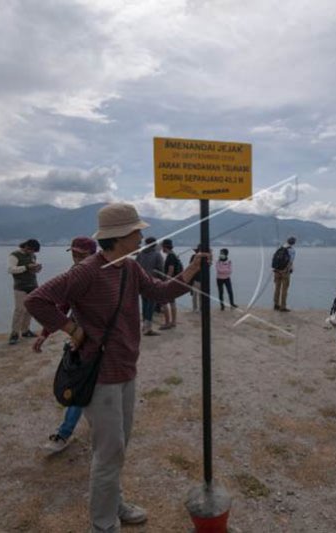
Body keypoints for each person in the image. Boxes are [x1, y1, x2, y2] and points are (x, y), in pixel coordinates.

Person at [25, 203, 207, 532]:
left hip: (126, 369)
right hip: (100, 376)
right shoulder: (88, 271)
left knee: (118, 448)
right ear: (119, 236)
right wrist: (73, 330)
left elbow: (160, 292)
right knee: (108, 453)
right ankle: (103, 525)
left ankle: (115, 503)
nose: (141, 236)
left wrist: (191, 270)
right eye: (136, 232)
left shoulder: (130, 267)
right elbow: (36, 300)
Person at [32, 236, 97, 452]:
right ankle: (66, 432)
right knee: (80, 388)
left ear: (94, 254)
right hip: (80, 343)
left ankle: (68, 432)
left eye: (82, 255)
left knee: (89, 389)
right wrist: (44, 334)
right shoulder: (73, 277)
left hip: (103, 344)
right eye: (74, 254)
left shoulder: (105, 274)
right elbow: (61, 308)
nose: (77, 259)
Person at [7, 238, 42, 345]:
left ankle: (25, 330)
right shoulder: (15, 255)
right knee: (20, 310)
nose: (32, 253)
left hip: (33, 285)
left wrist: (37, 268)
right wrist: (26, 267)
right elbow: (11, 269)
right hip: (20, 286)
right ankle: (14, 333)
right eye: (32, 250)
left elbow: (32, 269)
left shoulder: (32, 256)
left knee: (29, 309)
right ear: (27, 247)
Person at [136, 236, 164, 336]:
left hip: (141, 284)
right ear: (155, 244)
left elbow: (136, 268)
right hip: (153, 283)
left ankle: (144, 325)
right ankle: (148, 328)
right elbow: (161, 270)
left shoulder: (140, 254)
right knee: (151, 305)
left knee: (144, 304)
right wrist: (163, 282)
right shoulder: (157, 255)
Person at [160, 238, 182, 330]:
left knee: (165, 301)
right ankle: (173, 322)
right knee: (172, 302)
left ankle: (168, 323)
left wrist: (166, 282)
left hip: (171, 282)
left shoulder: (170, 256)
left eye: (162, 247)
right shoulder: (174, 255)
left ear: (165, 247)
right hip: (175, 281)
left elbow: (171, 269)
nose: (162, 249)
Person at [273, 236, 297, 312]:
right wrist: (287, 270)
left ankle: (276, 304)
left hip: (277, 271)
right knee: (284, 290)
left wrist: (277, 269)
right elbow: (290, 262)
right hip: (285, 272)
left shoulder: (280, 248)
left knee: (277, 288)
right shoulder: (292, 250)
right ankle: (283, 306)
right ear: (293, 243)